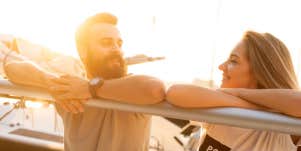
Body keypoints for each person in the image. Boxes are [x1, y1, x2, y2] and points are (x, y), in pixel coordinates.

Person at [3, 12, 165, 151]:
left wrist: (90, 89)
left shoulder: (131, 87)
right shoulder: (71, 87)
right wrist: (50, 82)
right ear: (83, 51)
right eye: (106, 43)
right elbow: (12, 68)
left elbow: (154, 89)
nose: (116, 48)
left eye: (119, 43)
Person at [166, 31, 301, 151]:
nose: (221, 66)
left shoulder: (283, 128)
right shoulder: (220, 111)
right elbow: (174, 92)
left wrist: (239, 93)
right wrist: (250, 105)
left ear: (260, 73)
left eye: (233, 61)